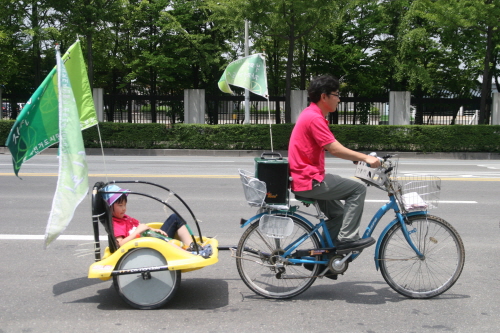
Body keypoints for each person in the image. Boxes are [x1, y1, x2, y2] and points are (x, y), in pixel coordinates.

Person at [288, 75, 381, 253]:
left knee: (338, 215)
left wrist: (356, 157)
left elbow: (333, 147)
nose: (339, 99)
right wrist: (365, 158)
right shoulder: (314, 117)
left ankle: (323, 259)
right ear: (324, 96)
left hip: (307, 178)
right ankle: (347, 239)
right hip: (309, 180)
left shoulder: (312, 114)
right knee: (358, 189)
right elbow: (335, 149)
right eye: (337, 94)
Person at [102, 184, 211, 257]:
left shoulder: (125, 218)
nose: (124, 208)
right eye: (120, 205)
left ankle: (192, 246)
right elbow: (121, 244)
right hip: (143, 246)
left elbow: (142, 228)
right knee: (165, 242)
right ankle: (191, 254)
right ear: (109, 207)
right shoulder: (116, 223)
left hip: (150, 236)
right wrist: (137, 232)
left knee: (175, 218)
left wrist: (153, 229)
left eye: (125, 205)